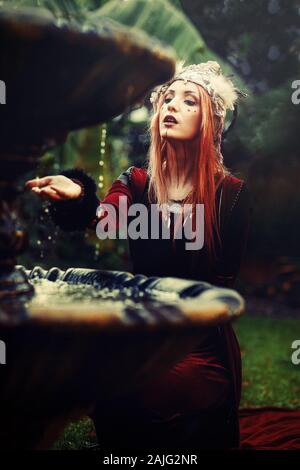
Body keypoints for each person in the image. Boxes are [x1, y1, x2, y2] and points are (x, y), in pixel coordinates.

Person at [26, 61, 251, 450]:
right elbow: (107, 221)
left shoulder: (231, 194)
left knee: (130, 385)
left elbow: (221, 284)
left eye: (188, 101)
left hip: (197, 341)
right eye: (166, 98)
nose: (171, 106)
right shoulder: (136, 181)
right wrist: (81, 195)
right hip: (143, 332)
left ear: (210, 122)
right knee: (92, 372)